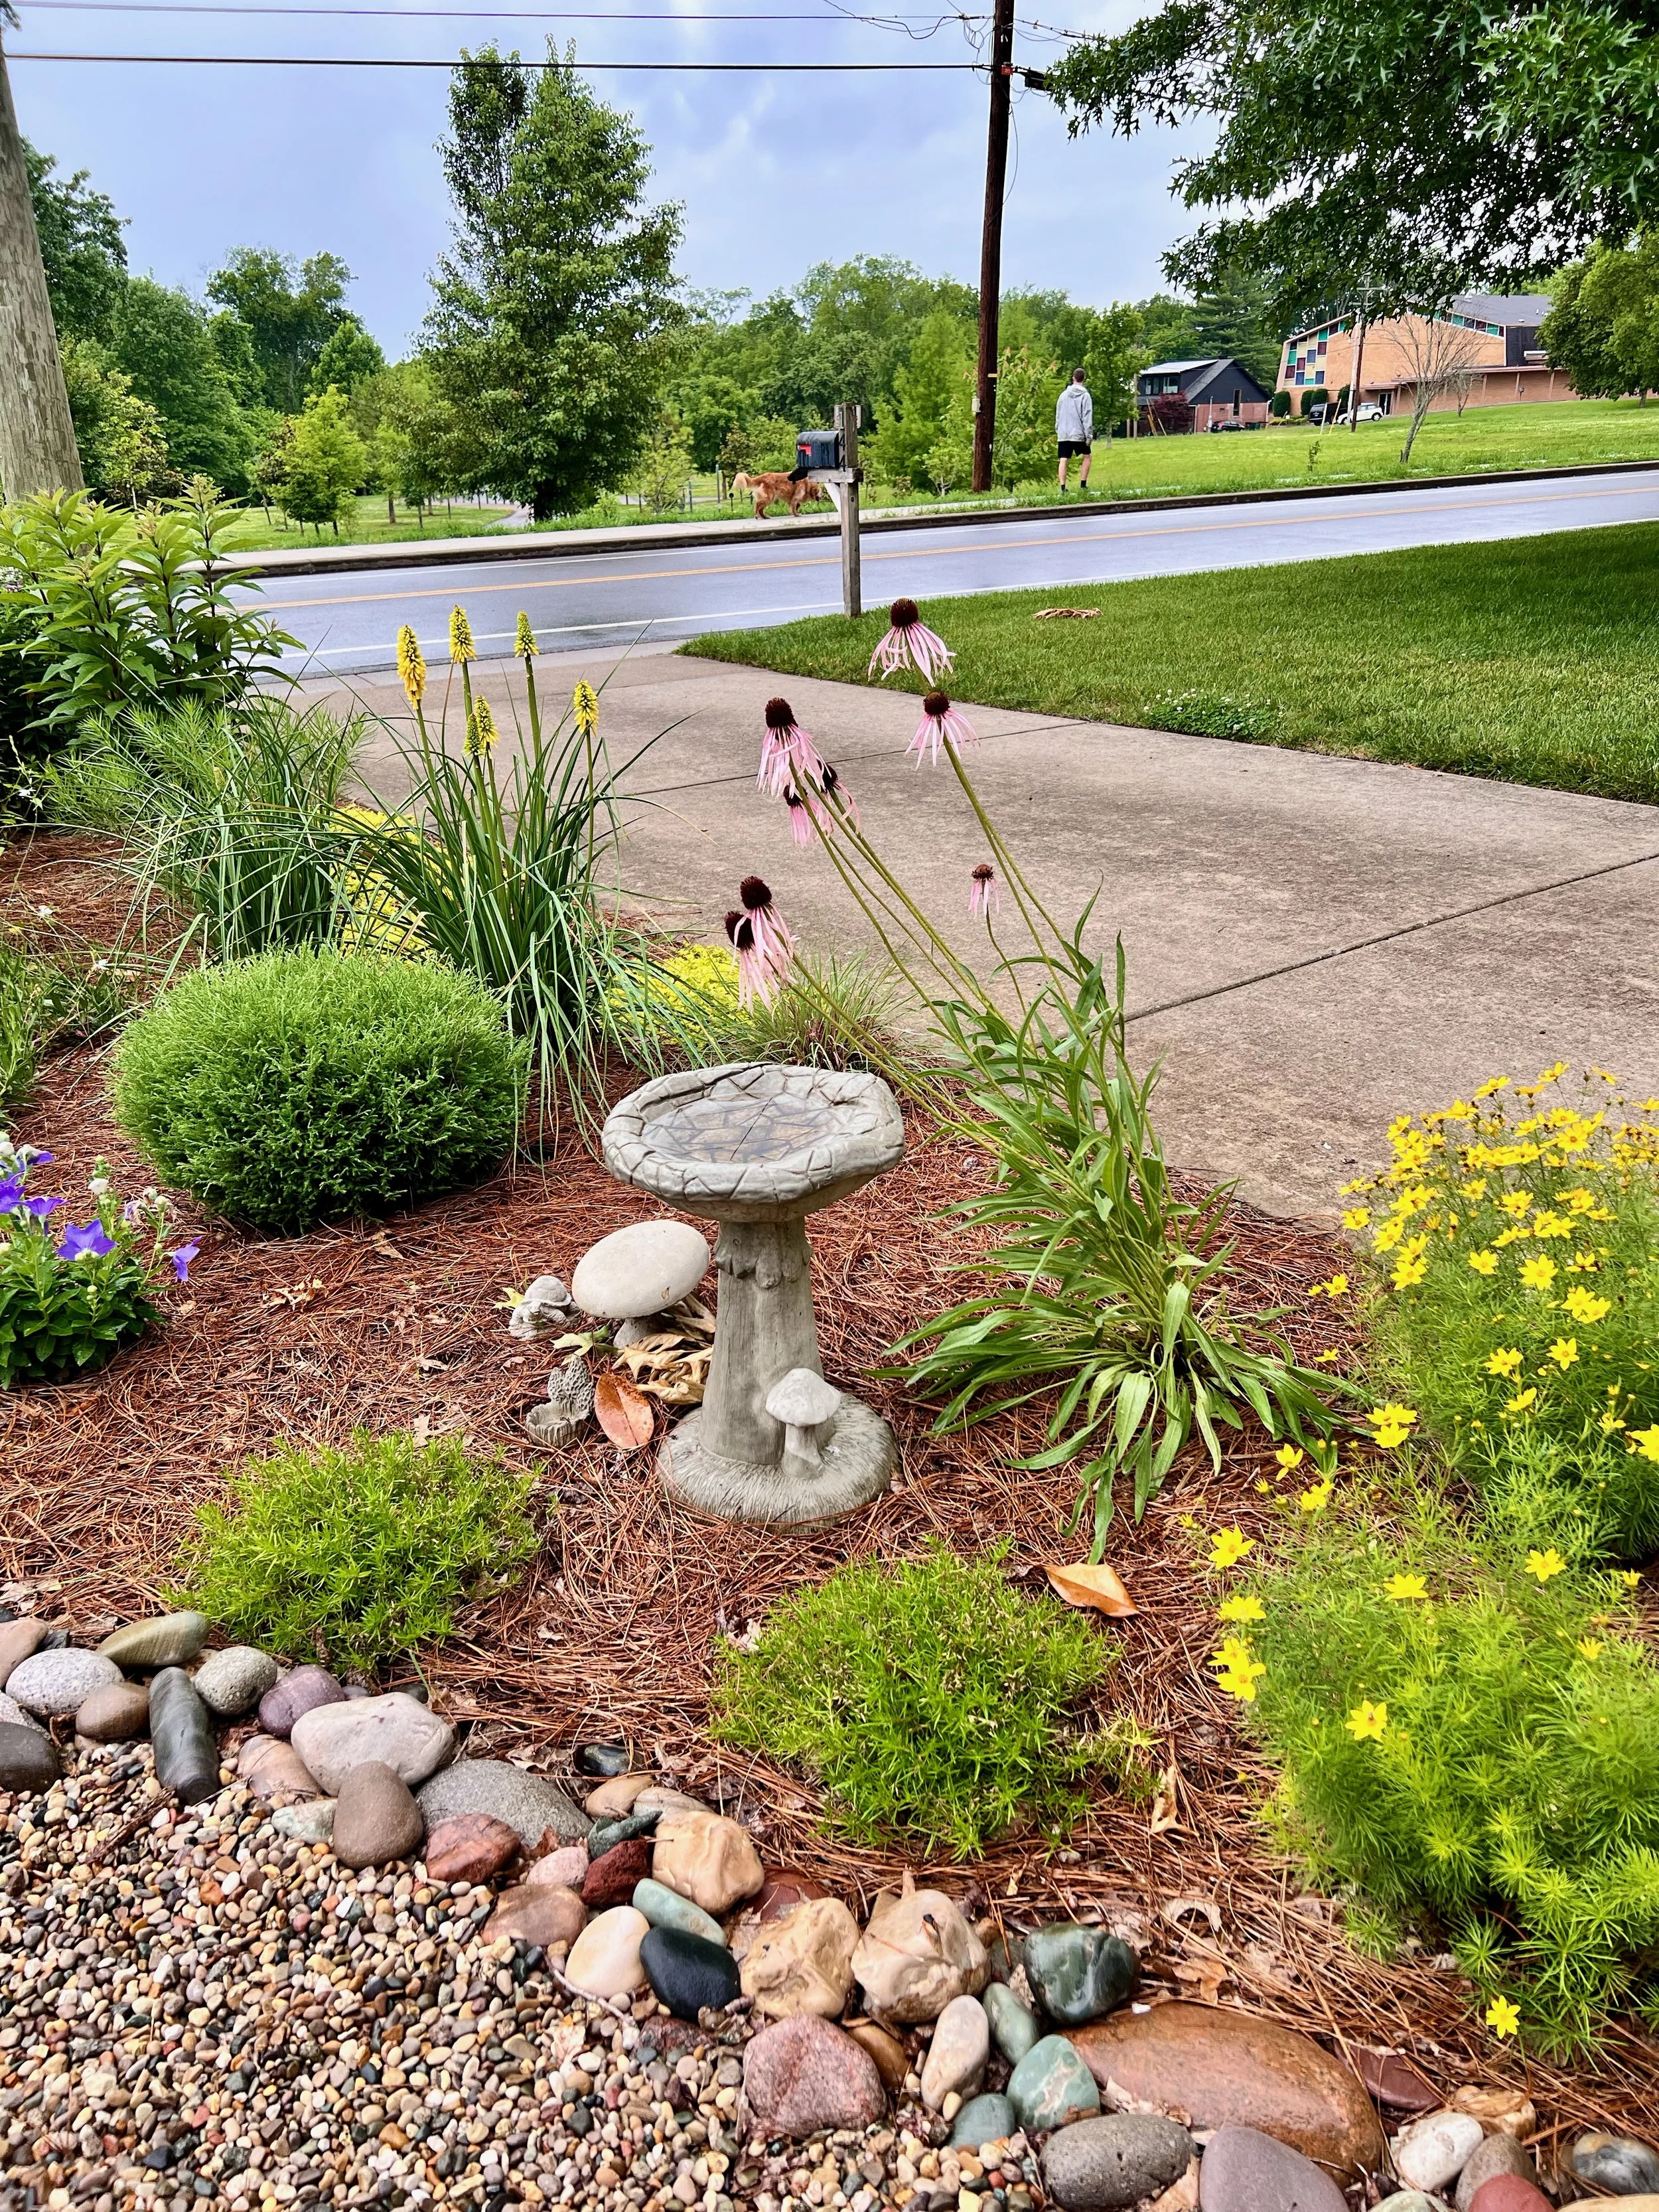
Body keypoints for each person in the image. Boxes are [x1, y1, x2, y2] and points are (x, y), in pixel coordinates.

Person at [1056, 368, 1094, 493]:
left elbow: (1058, 413)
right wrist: (1088, 435)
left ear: (1073, 378)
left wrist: (1058, 429)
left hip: (1064, 432)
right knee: (1087, 456)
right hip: (1078, 433)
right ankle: (1083, 485)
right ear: (1084, 379)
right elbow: (1086, 416)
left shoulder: (1063, 395)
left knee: (1063, 458)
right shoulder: (1085, 396)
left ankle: (1063, 487)